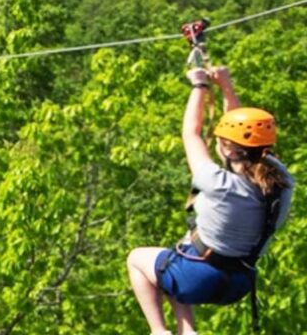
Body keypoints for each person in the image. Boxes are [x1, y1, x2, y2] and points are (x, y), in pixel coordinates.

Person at [126, 65, 294, 335]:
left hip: (198, 276)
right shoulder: (282, 182)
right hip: (238, 282)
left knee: (137, 259)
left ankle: (159, 331)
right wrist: (226, 85)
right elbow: (242, 131)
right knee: (174, 257)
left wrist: (199, 86)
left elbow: (191, 132)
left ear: (227, 147)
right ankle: (187, 331)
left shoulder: (217, 182)